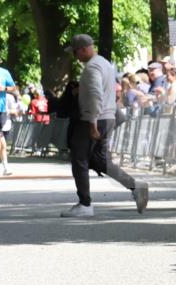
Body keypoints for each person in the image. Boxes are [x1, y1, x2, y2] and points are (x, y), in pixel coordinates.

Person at [61, 34, 148, 217]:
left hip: (93, 119)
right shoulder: (105, 64)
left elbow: (95, 95)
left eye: (76, 52)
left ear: (84, 49)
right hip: (107, 117)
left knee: (79, 158)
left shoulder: (92, 68)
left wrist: (92, 122)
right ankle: (135, 186)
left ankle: (85, 204)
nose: (76, 57)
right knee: (100, 160)